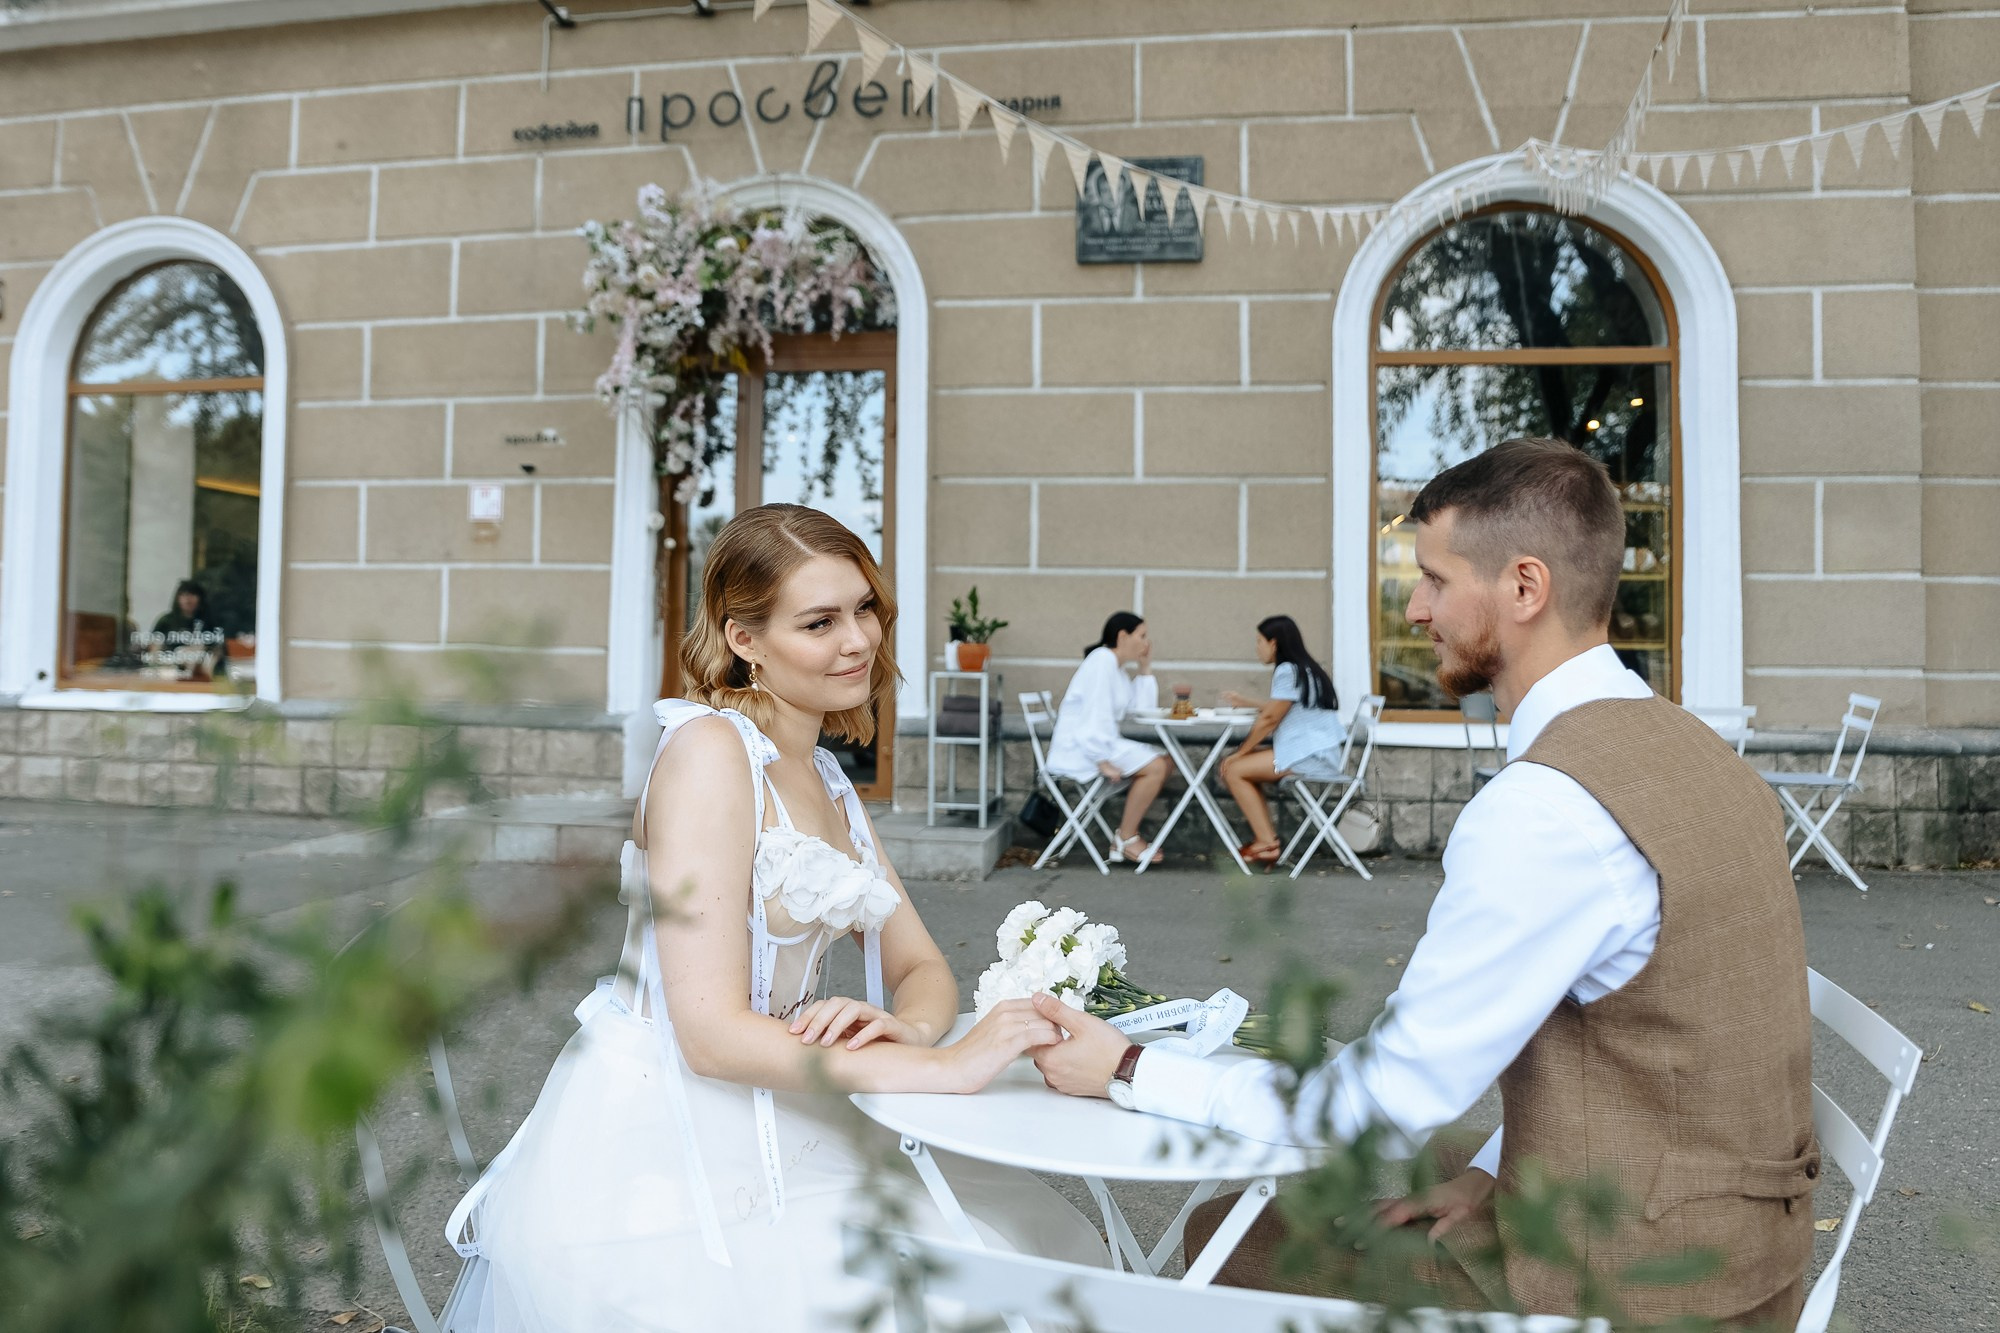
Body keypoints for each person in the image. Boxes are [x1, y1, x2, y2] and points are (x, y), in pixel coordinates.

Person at [1027, 439, 1818, 1328]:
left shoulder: (1548, 808)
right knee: (1396, 1167)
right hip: (1745, 1243)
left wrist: (1132, 1064)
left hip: (1646, 1285)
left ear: (1525, 587)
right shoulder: (1696, 750)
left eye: (1436, 579)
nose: (1415, 606)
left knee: (1231, 1239)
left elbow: (1376, 1107)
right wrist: (1487, 1175)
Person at [449, 504, 1104, 1332]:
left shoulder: (828, 777)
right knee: (922, 1291)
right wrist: (945, 1068)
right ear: (744, 639)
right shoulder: (708, 756)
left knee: (1013, 1246)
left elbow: (922, 968)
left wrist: (905, 1026)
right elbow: (711, 1036)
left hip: (791, 1094)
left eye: (865, 607)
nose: (859, 639)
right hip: (670, 1132)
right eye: (820, 620)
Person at [1044, 612, 1173, 865]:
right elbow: (1094, 713)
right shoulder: (1101, 660)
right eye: (1142, 636)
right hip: (1081, 748)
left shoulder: (1118, 670)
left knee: (1166, 762)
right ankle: (1126, 837)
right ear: (1123, 636)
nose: (1146, 642)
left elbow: (1139, 712)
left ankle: (1123, 838)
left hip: (1101, 743)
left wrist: (1144, 668)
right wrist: (1100, 759)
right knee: (1157, 766)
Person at [1216, 615, 1345, 866]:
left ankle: (1266, 843)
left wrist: (1241, 752)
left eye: (1259, 641)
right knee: (1241, 767)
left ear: (1273, 643)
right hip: (1317, 752)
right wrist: (1248, 702)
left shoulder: (1287, 670)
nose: (1257, 648)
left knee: (1233, 769)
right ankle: (1266, 840)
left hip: (1309, 758)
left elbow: (1270, 719)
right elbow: (1284, 707)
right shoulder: (1305, 668)